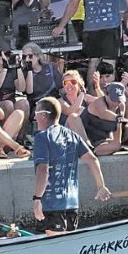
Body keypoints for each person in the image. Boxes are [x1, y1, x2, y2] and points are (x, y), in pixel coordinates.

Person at [33, 97, 111, 235]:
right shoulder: (72, 136)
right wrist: (101, 186)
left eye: (36, 113)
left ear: (44, 115)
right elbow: (92, 160)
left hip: (52, 204)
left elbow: (43, 170)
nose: (34, 117)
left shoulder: (42, 137)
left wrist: (37, 199)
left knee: (55, 247)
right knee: (67, 245)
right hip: (72, 204)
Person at [80, 82, 127, 156]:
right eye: (114, 99)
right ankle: (90, 152)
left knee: (116, 145)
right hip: (87, 139)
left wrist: (116, 144)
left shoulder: (121, 106)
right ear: (106, 94)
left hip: (103, 139)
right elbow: (104, 113)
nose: (117, 103)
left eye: (119, 100)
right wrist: (118, 118)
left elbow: (117, 131)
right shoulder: (99, 103)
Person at [22, 42, 63, 113]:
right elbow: (29, 91)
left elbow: (61, 88)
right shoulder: (24, 72)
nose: (27, 59)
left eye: (30, 56)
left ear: (38, 56)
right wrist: (29, 70)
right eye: (24, 57)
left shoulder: (50, 67)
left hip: (54, 100)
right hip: (37, 104)